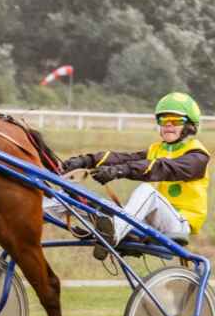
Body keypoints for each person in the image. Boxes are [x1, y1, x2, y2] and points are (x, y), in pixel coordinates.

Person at [47, 92, 209, 259]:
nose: (168, 125)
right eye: (163, 120)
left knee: (147, 191)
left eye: (175, 121)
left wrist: (119, 171)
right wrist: (87, 160)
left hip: (177, 225)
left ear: (190, 126)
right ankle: (38, 214)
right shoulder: (156, 149)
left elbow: (161, 167)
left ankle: (113, 234)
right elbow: (124, 158)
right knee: (82, 199)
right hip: (147, 222)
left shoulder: (198, 156)